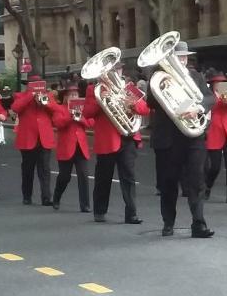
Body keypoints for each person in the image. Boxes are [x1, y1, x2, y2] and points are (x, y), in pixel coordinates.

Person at [148, 41, 215, 237]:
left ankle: (198, 224)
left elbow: (210, 98)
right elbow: (150, 102)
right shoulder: (159, 78)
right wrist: (159, 82)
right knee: (168, 183)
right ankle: (168, 222)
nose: (183, 60)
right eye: (179, 57)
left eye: (185, 57)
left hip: (192, 137)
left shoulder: (195, 76)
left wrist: (198, 108)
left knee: (197, 181)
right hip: (168, 138)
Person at [84, 62, 150, 225]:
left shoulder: (128, 87)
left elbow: (145, 109)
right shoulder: (95, 89)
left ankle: (131, 213)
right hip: (107, 140)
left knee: (128, 177)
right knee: (103, 177)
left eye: (118, 68)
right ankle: (100, 211)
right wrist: (101, 100)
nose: (115, 72)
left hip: (127, 137)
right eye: (112, 69)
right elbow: (87, 112)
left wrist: (132, 103)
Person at [12, 75, 57, 206]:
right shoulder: (20, 96)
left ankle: (46, 197)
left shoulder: (48, 96)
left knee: (45, 169)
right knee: (28, 169)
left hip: (44, 138)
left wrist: (45, 102)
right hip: (27, 138)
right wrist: (30, 95)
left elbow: (55, 110)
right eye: (33, 84)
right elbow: (15, 108)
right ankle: (27, 196)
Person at [50, 83, 93, 212]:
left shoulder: (83, 109)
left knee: (83, 175)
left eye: (76, 95)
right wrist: (71, 116)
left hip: (80, 146)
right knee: (64, 176)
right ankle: (56, 197)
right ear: (65, 97)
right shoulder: (59, 109)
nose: (74, 97)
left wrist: (80, 118)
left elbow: (91, 123)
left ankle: (85, 205)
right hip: (66, 147)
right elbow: (58, 123)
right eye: (71, 95)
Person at [204, 72, 227, 204]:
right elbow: (207, 110)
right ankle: (207, 186)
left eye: (223, 83)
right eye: (218, 83)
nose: (220, 85)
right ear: (213, 85)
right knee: (215, 166)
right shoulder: (208, 96)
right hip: (214, 132)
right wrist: (219, 100)